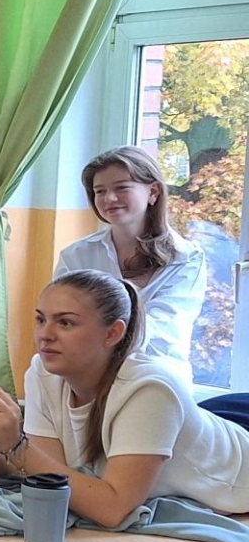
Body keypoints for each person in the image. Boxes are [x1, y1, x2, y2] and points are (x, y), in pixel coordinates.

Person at [0, 269, 249, 525]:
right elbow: (53, 473)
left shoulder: (151, 389)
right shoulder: (43, 372)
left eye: (65, 322)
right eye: (41, 319)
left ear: (113, 333)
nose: (45, 335)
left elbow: (112, 508)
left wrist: (15, 445)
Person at [55, 146, 204, 382]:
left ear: (153, 192)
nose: (109, 199)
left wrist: (88, 332)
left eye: (121, 188)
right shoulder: (76, 255)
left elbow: (162, 329)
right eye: (100, 191)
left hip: (156, 377)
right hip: (87, 377)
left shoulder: (186, 257)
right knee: (39, 368)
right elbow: (60, 320)